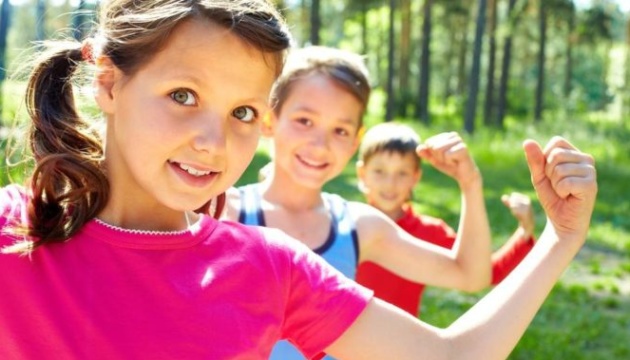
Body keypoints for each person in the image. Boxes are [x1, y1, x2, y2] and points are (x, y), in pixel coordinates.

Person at [0, 1, 597, 359]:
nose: (213, 142)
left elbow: (454, 353)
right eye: (183, 96)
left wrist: (560, 238)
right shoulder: (12, 232)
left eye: (242, 113)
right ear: (108, 83)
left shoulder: (270, 267)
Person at [223, 46, 591, 360]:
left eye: (340, 130)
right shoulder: (224, 214)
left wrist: (470, 184)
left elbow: (471, 273)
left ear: (355, 141)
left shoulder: (358, 226)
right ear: (270, 119)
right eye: (304, 120)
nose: (320, 144)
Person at [354, 122, 537, 317]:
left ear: (415, 178)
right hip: (331, 346)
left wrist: (524, 233)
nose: (390, 184)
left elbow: (485, 273)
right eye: (379, 171)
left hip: (398, 345)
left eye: (402, 173)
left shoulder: (429, 232)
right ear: (362, 174)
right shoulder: (344, 223)